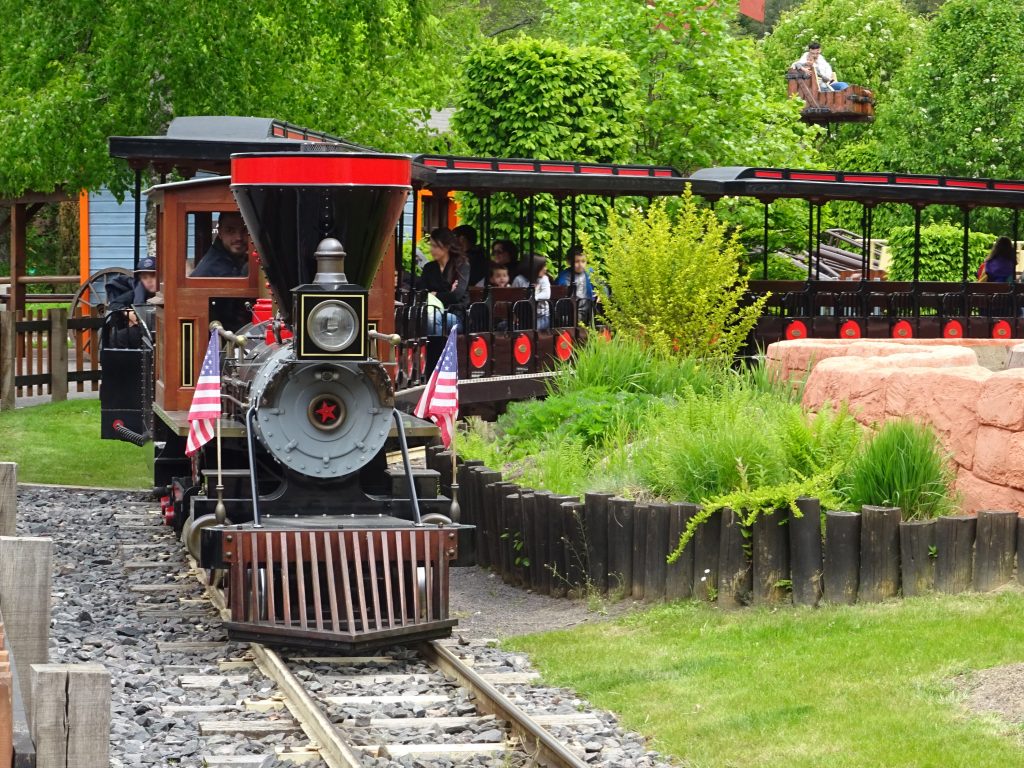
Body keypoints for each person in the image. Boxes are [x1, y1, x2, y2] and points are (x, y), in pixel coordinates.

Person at [417, 227, 469, 334]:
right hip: (431, 310)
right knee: (425, 318)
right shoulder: (429, 267)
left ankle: (436, 349)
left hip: (456, 314)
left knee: (433, 319)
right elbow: (422, 294)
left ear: (447, 247)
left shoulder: (461, 265)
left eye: (435, 246)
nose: (431, 250)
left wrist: (435, 294)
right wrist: (448, 293)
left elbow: (457, 296)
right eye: (431, 245)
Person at [105, 257, 160, 349]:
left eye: (153, 276)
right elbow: (115, 304)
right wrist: (128, 312)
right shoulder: (136, 292)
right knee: (118, 338)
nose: (149, 281)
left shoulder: (166, 292)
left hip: (162, 331)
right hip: (142, 331)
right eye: (145, 277)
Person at [192, 212, 249, 277]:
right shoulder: (209, 271)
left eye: (245, 230)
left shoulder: (241, 258)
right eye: (230, 230)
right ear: (220, 233)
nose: (239, 237)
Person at [555, 245, 600, 323]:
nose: (580, 265)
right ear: (569, 262)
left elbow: (601, 285)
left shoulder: (590, 272)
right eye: (576, 261)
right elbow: (560, 294)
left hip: (589, 309)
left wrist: (601, 294)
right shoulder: (564, 277)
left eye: (583, 261)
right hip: (572, 311)